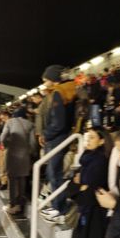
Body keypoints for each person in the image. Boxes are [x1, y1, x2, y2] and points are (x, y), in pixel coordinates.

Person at [67, 127, 113, 238]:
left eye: (92, 137)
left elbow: (91, 194)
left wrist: (79, 187)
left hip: (95, 215)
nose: (87, 140)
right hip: (84, 213)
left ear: (102, 141)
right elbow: (70, 187)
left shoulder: (101, 161)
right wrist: (80, 187)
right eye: (87, 137)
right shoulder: (87, 159)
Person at [38, 65, 78, 219]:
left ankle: (59, 207)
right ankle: (57, 204)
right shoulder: (68, 90)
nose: (45, 83)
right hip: (62, 136)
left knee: (55, 173)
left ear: (53, 79)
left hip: (57, 138)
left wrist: (46, 134)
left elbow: (58, 123)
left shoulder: (58, 93)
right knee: (54, 173)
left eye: (46, 80)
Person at [0, 108, 36, 216]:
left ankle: (13, 204)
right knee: (22, 179)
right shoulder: (30, 124)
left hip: (12, 154)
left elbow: (2, 137)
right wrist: (29, 152)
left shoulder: (10, 122)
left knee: (12, 180)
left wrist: (7, 145)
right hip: (25, 156)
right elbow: (33, 144)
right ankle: (20, 203)